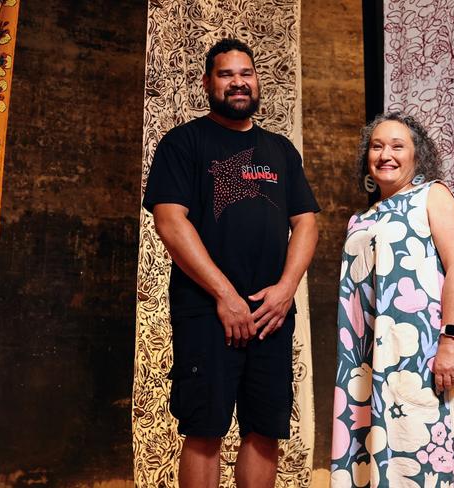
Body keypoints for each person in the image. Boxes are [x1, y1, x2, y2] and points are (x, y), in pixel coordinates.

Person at [142, 38, 319, 488]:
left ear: (256, 81)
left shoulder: (281, 150)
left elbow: (306, 223)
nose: (238, 83)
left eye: (246, 74)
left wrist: (284, 292)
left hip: (271, 314)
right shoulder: (184, 143)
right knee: (204, 429)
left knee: (265, 430)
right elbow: (169, 222)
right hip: (206, 312)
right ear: (207, 82)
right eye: (226, 75)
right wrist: (224, 295)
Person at [330, 112, 454, 487]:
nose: (386, 154)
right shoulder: (361, 219)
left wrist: (450, 340)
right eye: (377, 146)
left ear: (417, 156)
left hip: (420, 356)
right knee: (376, 455)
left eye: (398, 146)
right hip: (365, 362)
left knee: (430, 457)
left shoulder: (431, 195)